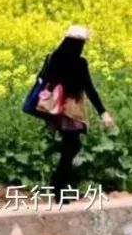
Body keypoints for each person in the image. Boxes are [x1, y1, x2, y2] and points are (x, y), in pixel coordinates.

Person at [38, 25, 115, 198]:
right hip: (71, 111)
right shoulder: (79, 63)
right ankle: (59, 188)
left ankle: (58, 186)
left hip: (55, 110)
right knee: (71, 148)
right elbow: (89, 89)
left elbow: (46, 81)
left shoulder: (54, 58)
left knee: (69, 147)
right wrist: (103, 113)